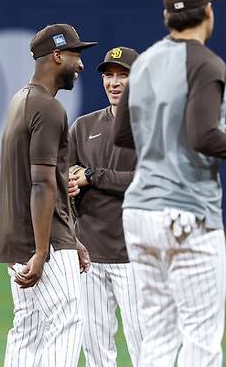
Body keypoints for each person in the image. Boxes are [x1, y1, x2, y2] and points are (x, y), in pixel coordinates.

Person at [112, 0, 226, 367]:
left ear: (167, 15)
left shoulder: (143, 61)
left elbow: (123, 134)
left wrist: (186, 135)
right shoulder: (206, 62)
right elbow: (203, 139)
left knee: (158, 336)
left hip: (139, 212)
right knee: (201, 338)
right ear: (207, 11)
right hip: (186, 212)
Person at [0, 23, 96, 367]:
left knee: (29, 329)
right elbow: (41, 184)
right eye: (75, 54)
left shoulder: (19, 100)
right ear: (56, 56)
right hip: (44, 239)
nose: (80, 64)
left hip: (17, 236)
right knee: (67, 323)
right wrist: (42, 251)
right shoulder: (50, 109)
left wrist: (74, 239)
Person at [68, 46, 144, 367]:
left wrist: (91, 176)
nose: (114, 82)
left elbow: (148, 180)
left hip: (137, 255)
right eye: (109, 75)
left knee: (147, 348)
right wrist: (69, 182)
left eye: (123, 75)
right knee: (96, 350)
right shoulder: (83, 126)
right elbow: (65, 176)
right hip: (90, 255)